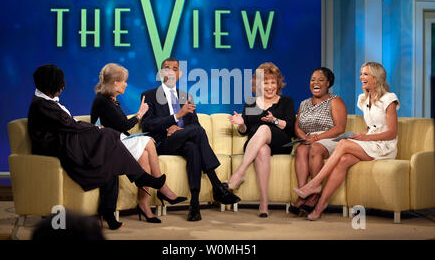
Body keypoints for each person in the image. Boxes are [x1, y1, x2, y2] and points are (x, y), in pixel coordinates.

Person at [27, 64, 166, 230]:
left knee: (110, 155)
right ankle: (140, 178)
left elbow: (69, 124)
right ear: (49, 84)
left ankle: (110, 209)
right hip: (59, 148)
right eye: (59, 84)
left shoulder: (48, 102)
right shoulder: (41, 104)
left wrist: (96, 129)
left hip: (68, 141)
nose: (63, 87)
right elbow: (68, 124)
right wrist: (95, 129)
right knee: (109, 136)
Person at [293, 62, 400, 220]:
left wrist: (366, 137)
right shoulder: (364, 99)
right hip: (371, 142)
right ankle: (320, 205)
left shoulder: (389, 99)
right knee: (343, 160)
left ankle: (314, 184)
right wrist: (361, 134)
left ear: (376, 78)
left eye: (365, 74)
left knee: (342, 144)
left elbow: (391, 132)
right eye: (361, 74)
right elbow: (372, 126)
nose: (361, 77)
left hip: (384, 146)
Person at [141, 57, 241, 221]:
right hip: (162, 142)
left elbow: (194, 125)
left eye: (175, 68)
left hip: (182, 140)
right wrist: (174, 119)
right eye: (167, 68)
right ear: (160, 73)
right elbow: (147, 124)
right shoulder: (149, 95)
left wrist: (179, 129)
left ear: (179, 74)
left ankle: (194, 206)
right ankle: (217, 186)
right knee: (196, 132)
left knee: (193, 147)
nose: (171, 71)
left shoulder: (185, 96)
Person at [90, 63, 186, 224]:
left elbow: (119, 125)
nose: (126, 84)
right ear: (115, 83)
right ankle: (161, 185)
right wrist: (140, 114)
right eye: (124, 81)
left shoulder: (111, 100)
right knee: (148, 141)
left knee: (144, 154)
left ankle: (144, 204)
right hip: (108, 145)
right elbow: (124, 125)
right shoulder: (103, 101)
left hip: (117, 141)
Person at [227, 62, 296, 217]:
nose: (270, 86)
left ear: (278, 84)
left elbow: (291, 128)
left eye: (273, 82)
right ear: (259, 84)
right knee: (262, 150)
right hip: (255, 144)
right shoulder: (251, 102)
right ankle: (264, 203)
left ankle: (240, 171)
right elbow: (244, 132)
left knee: (264, 128)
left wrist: (275, 121)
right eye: (266, 82)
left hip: (281, 142)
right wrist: (242, 123)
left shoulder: (286, 102)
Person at [290, 67, 347, 216]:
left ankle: (315, 195)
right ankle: (303, 193)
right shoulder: (304, 103)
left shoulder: (335, 100)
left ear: (328, 83)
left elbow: (340, 128)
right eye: (313, 80)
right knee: (301, 149)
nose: (316, 83)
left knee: (315, 148)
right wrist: (303, 136)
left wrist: (317, 138)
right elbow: (297, 126)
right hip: (309, 138)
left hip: (329, 138)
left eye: (320, 80)